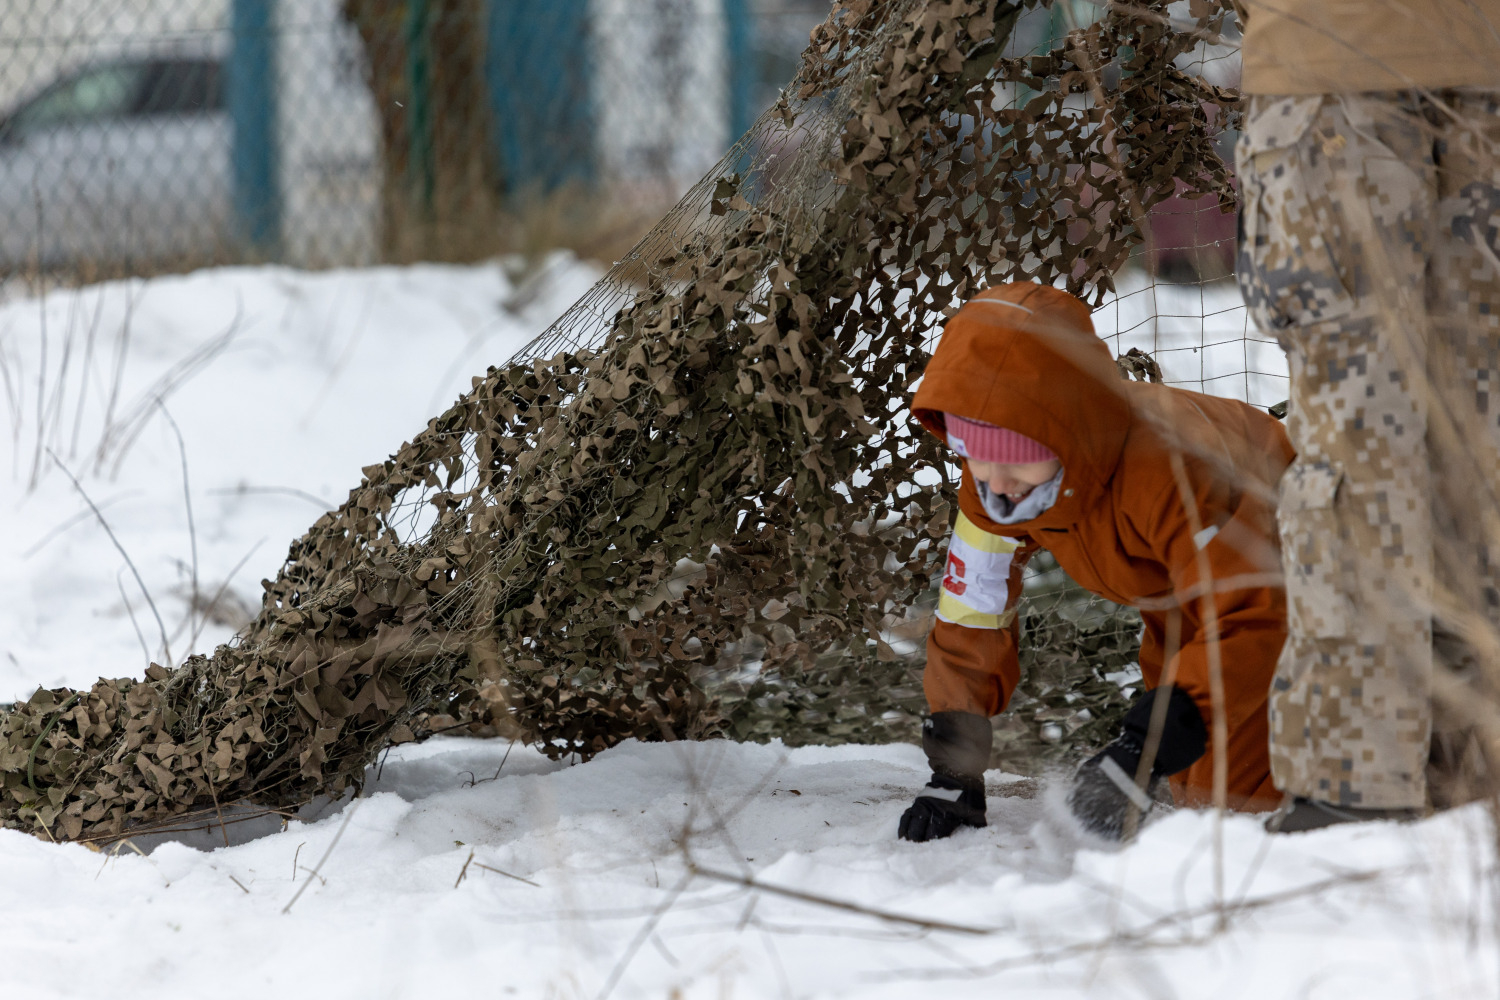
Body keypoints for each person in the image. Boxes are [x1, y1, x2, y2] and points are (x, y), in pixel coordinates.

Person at [896, 282, 1294, 842]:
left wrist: (1142, 750)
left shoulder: (1172, 471)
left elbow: (1250, 615)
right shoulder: (993, 485)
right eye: (974, 455)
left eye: (1018, 460)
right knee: (1201, 796)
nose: (997, 483)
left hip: (1311, 558)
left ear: (1070, 434)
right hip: (1181, 592)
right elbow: (972, 611)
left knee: (1248, 800)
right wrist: (953, 766)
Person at [1236, 2, 1500, 830]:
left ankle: (1354, 782)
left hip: (1331, 68)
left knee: (1359, 445)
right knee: (1481, 444)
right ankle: (1472, 767)